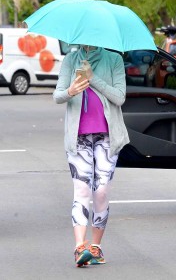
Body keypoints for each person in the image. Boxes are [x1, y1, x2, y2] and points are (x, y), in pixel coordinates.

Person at [53, 45, 129, 267]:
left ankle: (95, 246)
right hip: (78, 137)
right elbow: (57, 95)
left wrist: (93, 78)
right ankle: (80, 247)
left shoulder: (114, 60)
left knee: (102, 189)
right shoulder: (71, 60)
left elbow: (120, 97)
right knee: (82, 189)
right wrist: (71, 91)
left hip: (107, 136)